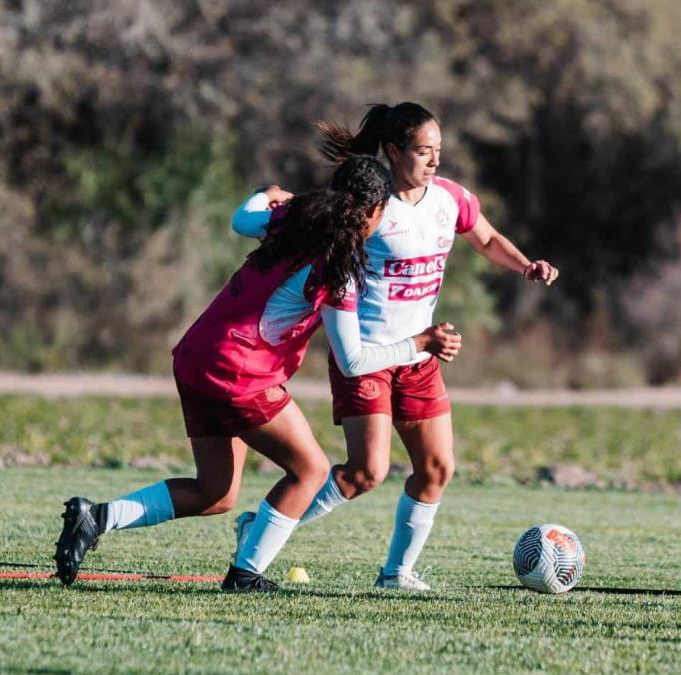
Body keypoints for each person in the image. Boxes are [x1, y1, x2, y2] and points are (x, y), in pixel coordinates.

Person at [53, 155, 461, 592]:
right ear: (376, 211)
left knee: (216, 492)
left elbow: (242, 219)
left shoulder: (293, 219)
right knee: (310, 470)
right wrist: (421, 344)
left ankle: (95, 517)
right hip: (238, 371)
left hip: (196, 356)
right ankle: (246, 574)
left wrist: (266, 194)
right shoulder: (337, 267)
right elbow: (353, 362)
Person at [233, 103, 558, 591]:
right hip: (365, 356)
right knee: (367, 472)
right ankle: (263, 526)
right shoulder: (369, 207)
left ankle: (397, 573)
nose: (434, 161)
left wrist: (525, 264)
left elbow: (486, 238)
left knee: (437, 468)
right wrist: (273, 202)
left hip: (419, 357)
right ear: (392, 151)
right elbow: (307, 217)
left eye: (439, 151)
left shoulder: (450, 199)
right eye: (424, 151)